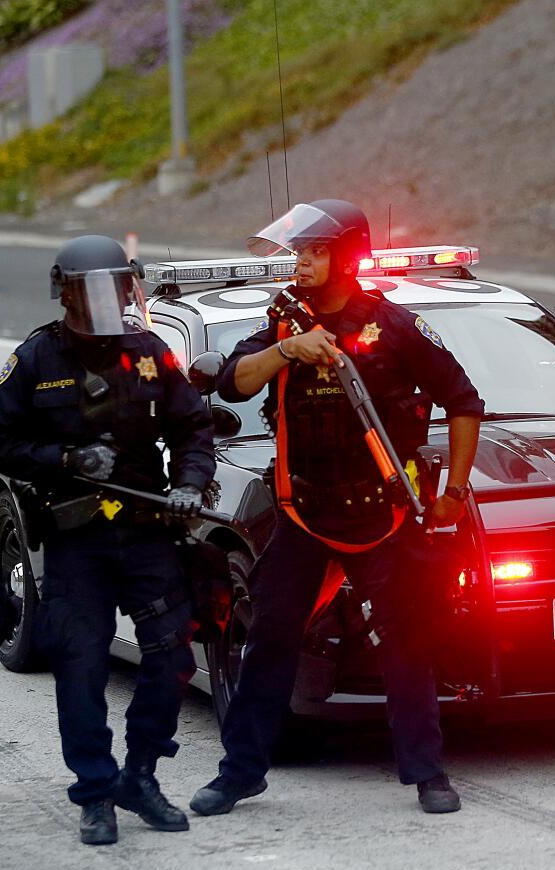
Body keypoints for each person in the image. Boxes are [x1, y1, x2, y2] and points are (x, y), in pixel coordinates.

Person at [192, 199, 484, 816]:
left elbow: (463, 400)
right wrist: (287, 353)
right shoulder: (283, 323)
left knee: (405, 640)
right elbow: (233, 381)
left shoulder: (393, 325)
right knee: (269, 638)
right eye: (299, 250)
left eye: (317, 250)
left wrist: (454, 494)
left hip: (381, 512)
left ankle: (427, 772)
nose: (303, 260)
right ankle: (240, 772)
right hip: (304, 515)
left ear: (348, 254)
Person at [0, 235, 215, 846]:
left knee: (170, 658)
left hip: (148, 533)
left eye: (118, 287)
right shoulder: (37, 358)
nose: (109, 300)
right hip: (76, 539)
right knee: (80, 667)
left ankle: (140, 776)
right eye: (94, 290)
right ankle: (94, 791)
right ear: (65, 292)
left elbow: (194, 426)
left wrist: (191, 482)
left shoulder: (149, 352)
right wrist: (63, 458)